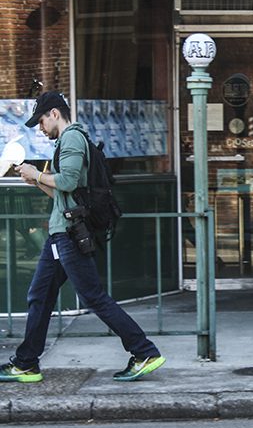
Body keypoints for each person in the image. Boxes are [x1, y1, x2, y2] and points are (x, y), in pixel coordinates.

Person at [0, 91, 166, 384]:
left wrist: (36, 173)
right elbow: (63, 194)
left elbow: (68, 181)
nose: (40, 128)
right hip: (59, 234)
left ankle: (144, 352)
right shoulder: (65, 142)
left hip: (69, 236)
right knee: (39, 296)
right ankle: (26, 363)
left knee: (93, 297)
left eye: (40, 121)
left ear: (54, 114)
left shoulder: (73, 139)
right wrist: (35, 180)